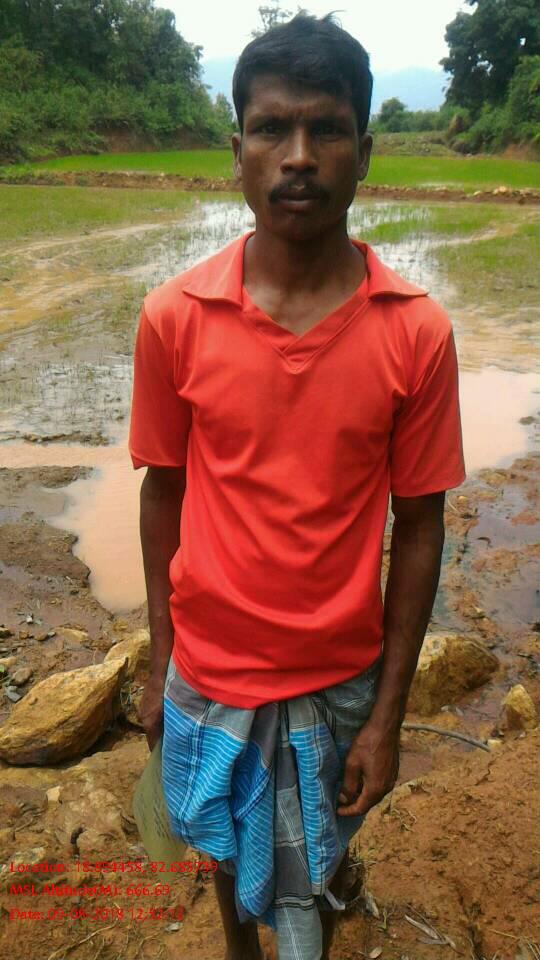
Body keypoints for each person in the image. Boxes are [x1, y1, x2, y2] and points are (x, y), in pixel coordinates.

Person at [128, 12, 466, 960]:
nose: (300, 156)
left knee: (322, 844)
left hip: (340, 677)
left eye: (328, 129)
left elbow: (421, 525)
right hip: (210, 668)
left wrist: (389, 716)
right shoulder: (174, 318)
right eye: (272, 128)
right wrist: (159, 661)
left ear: (367, 152)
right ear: (236, 152)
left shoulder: (415, 332)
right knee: (223, 846)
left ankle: (326, 890)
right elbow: (162, 494)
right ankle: (241, 949)